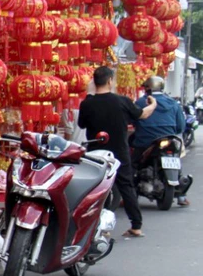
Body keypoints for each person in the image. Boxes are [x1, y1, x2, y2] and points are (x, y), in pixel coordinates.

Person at [78, 67, 157, 237]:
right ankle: (136, 225)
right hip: (119, 152)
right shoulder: (122, 101)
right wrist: (153, 105)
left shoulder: (87, 103)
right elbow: (142, 115)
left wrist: (90, 95)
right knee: (125, 186)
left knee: (97, 189)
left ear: (94, 81)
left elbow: (82, 124)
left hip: (96, 153)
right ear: (110, 80)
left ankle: (99, 226)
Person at [132, 76, 189, 207]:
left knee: (132, 165)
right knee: (177, 163)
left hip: (146, 142)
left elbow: (133, 120)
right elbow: (180, 126)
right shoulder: (173, 103)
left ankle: (128, 195)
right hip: (170, 140)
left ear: (147, 88)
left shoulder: (141, 102)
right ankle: (182, 197)